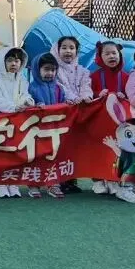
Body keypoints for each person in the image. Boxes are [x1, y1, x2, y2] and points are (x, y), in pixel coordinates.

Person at [0, 46, 33, 198]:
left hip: (18, 122)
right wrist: (14, 107)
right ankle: (1, 184)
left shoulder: (22, 80)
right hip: (2, 122)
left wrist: (28, 102)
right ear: (3, 62)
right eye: (10, 60)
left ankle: (13, 183)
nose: (14, 64)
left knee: (16, 153)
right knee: (1, 154)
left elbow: (25, 95)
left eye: (17, 61)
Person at [52, 36, 93, 194]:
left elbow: (86, 86)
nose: (68, 51)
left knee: (74, 147)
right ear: (57, 50)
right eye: (64, 48)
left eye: (71, 48)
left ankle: (71, 180)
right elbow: (59, 87)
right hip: (62, 114)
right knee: (60, 147)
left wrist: (86, 97)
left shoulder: (83, 71)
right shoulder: (54, 70)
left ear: (77, 51)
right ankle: (59, 180)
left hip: (78, 113)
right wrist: (73, 98)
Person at [89, 41, 129, 194]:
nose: (111, 56)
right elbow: (87, 95)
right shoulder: (94, 76)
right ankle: (98, 180)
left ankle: (114, 179)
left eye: (114, 53)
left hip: (119, 123)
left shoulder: (126, 76)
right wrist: (96, 95)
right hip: (99, 122)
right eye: (107, 53)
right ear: (100, 57)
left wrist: (124, 97)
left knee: (117, 150)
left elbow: (132, 97)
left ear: (120, 55)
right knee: (98, 150)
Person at [27, 53, 67, 198]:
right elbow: (27, 103)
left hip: (55, 130)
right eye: (46, 69)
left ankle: (53, 184)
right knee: (36, 157)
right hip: (37, 131)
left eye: (53, 70)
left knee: (54, 156)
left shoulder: (59, 88)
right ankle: (34, 185)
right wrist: (35, 105)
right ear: (37, 70)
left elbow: (65, 104)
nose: (50, 73)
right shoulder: (31, 88)